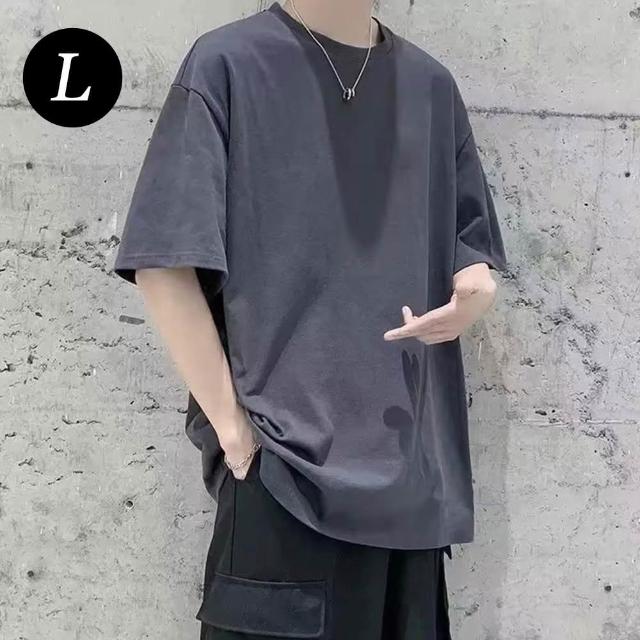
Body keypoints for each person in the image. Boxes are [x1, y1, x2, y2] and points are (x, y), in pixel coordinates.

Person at [112, 1, 508, 638]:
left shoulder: (431, 86)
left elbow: (472, 246)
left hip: (410, 490)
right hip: (283, 481)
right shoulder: (228, 63)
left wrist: (475, 287)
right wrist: (233, 429)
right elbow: (164, 262)